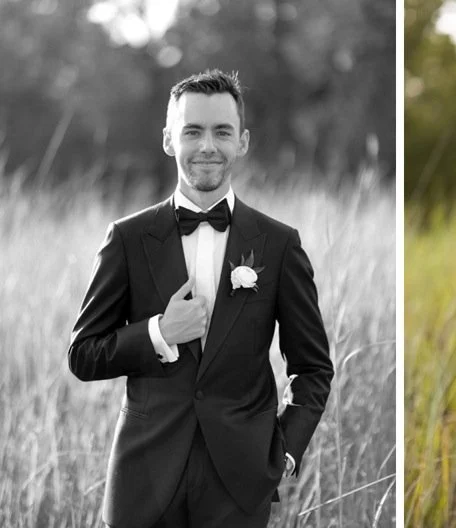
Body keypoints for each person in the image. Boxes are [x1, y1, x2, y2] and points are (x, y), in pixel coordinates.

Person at [68, 69, 334, 528]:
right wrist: (159, 333)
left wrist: (285, 452)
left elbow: (312, 368)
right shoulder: (127, 239)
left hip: (240, 484)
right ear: (168, 140)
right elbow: (83, 354)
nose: (208, 146)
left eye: (222, 132)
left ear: (242, 142)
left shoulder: (279, 244)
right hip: (144, 481)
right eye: (192, 131)